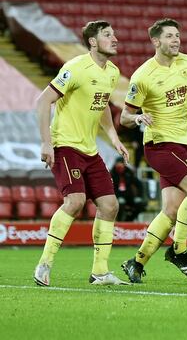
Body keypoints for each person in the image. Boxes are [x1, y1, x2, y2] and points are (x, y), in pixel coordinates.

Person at [33, 20, 129, 287]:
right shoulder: (75, 68)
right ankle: (44, 264)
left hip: (90, 149)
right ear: (93, 42)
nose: (115, 38)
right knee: (75, 201)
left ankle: (100, 271)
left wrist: (113, 137)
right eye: (107, 35)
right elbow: (43, 101)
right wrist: (45, 142)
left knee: (110, 205)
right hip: (65, 145)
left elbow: (103, 106)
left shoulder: (111, 72)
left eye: (114, 33)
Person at [120, 18, 187, 283]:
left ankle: (136, 262)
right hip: (160, 145)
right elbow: (125, 116)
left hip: (183, 143)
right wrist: (137, 119)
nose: (176, 40)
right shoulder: (143, 76)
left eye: (177, 36)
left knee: (171, 211)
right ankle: (179, 251)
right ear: (156, 41)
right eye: (170, 36)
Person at [110, 157, 145, 222]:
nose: (120, 165)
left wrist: (139, 196)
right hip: (117, 197)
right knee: (121, 203)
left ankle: (128, 220)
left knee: (140, 204)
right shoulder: (112, 174)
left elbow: (139, 184)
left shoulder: (129, 172)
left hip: (129, 197)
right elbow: (109, 188)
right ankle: (120, 222)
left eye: (121, 164)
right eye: (118, 164)